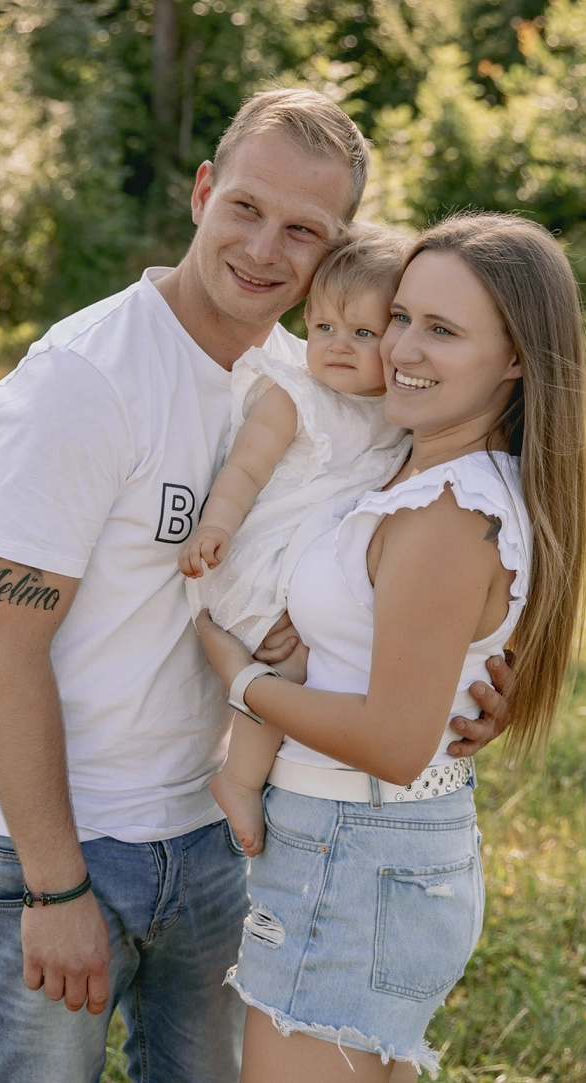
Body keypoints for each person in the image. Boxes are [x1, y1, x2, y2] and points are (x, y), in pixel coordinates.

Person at [0, 90, 516, 1083]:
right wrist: (51, 888)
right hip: (67, 842)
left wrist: (468, 688)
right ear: (203, 193)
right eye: (246, 207)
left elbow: (403, 566)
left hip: (225, 838)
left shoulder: (315, 382)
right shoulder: (86, 378)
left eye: (305, 231)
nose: (264, 248)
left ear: (336, 256)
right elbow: (7, 645)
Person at [195, 210, 586, 1080]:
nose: (403, 348)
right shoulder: (419, 468)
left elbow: (396, 742)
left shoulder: (444, 511)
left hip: (354, 852)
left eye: (442, 330)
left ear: (517, 357)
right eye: (402, 316)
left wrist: (246, 680)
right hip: (359, 849)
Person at [178, 224, 412, 857]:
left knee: (318, 663)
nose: (338, 346)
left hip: (307, 571)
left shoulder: (399, 418)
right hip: (257, 561)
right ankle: (240, 778)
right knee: (289, 670)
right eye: (324, 328)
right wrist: (216, 527)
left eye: (364, 333)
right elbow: (246, 468)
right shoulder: (293, 395)